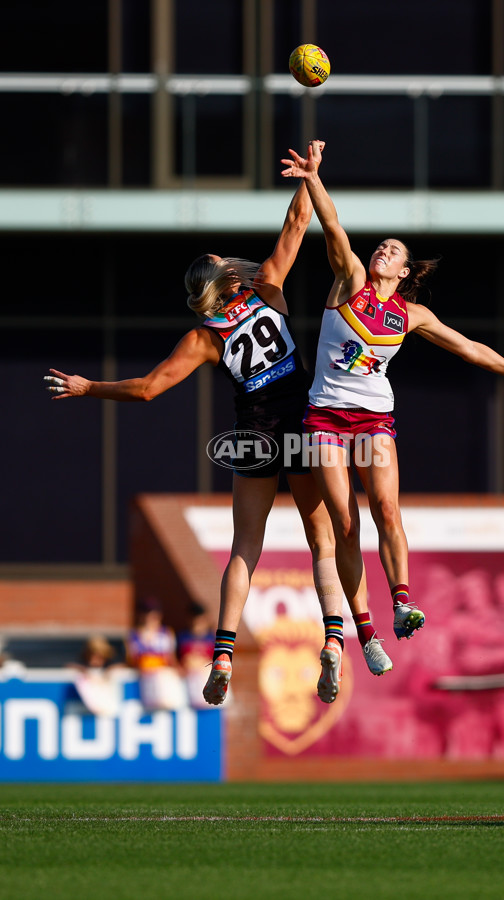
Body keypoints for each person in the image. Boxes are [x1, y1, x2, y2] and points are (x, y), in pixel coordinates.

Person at [44, 144, 392, 709]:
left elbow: (149, 388)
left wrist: (90, 387)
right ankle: (333, 641)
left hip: (253, 431)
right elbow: (299, 222)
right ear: (229, 274)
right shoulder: (268, 288)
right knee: (322, 539)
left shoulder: (203, 335)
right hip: (302, 422)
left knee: (244, 548)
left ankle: (223, 653)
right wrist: (311, 176)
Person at [281, 141, 504, 679]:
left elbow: (471, 349)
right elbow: (333, 226)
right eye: (381, 245)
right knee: (345, 523)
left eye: (393, 249)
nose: (382, 250)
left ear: (407, 271)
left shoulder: (412, 314)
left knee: (387, 510)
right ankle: (364, 634)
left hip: (374, 420)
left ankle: (402, 600)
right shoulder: (350, 282)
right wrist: (314, 176)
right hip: (324, 419)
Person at [126, 596, 186, 711]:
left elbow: (171, 658)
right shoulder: (134, 635)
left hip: (163, 680)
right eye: (147, 613)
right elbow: (131, 660)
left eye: (153, 613)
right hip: (143, 680)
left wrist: (179, 669)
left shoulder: (166, 633)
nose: (150, 617)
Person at [177, 602, 217, 708]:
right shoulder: (182, 637)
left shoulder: (212, 639)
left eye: (200, 620)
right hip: (188, 683)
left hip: (206, 681)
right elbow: (176, 658)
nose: (197, 623)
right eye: (195, 619)